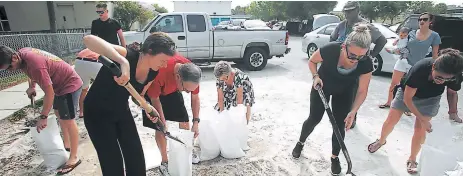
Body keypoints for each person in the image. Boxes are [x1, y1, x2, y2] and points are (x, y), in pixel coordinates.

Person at [82, 32, 175, 176]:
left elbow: (138, 96)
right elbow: (88, 40)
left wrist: (147, 108)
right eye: (163, 60)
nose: (164, 65)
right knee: (112, 163)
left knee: (136, 158)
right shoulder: (128, 55)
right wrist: (123, 62)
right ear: (150, 51)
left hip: (121, 111)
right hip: (97, 113)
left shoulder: (153, 73)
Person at [292, 23, 374, 176]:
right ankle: (300, 142)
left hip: (344, 91)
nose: (356, 60)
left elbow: (362, 91)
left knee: (339, 125)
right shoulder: (331, 50)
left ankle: (334, 157)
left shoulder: (366, 63)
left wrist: (354, 111)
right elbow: (312, 61)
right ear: (344, 46)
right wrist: (315, 76)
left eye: (361, 56)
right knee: (314, 118)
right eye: (352, 55)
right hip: (322, 86)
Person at [367, 48, 463, 174]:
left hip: (431, 98)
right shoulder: (421, 69)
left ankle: (412, 158)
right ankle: (381, 140)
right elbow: (407, 99)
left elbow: (452, 93)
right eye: (439, 77)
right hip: (408, 93)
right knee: (391, 120)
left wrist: (453, 112)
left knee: (420, 130)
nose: (442, 81)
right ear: (433, 66)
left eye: (447, 79)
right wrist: (423, 119)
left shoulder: (455, 75)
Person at [0, 46, 83, 175]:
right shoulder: (22, 56)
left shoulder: (35, 64)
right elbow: (30, 73)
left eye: (10, 67)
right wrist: (32, 86)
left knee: (68, 121)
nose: (10, 71)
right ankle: (66, 145)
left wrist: (43, 117)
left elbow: (49, 94)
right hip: (58, 86)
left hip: (69, 85)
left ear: (14, 57)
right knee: (58, 113)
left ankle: (74, 158)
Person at [330, 1, 387, 129]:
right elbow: (332, 40)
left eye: (350, 11)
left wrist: (370, 55)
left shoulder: (366, 27)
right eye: (345, 11)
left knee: (355, 93)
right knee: (339, 92)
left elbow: (382, 40)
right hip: (342, 66)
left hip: (357, 67)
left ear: (357, 10)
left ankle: (352, 118)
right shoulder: (341, 26)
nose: (347, 14)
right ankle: (338, 116)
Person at [145, 53, 202, 176]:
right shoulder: (160, 71)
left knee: (184, 120)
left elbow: (195, 98)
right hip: (155, 93)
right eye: (186, 89)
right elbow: (155, 99)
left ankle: (187, 150)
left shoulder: (191, 73)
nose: (188, 92)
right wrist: (163, 123)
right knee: (159, 127)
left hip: (172, 90)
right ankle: (165, 161)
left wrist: (196, 122)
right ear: (178, 77)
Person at [379, 12, 442, 118]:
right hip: (403, 60)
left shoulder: (434, 36)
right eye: (420, 19)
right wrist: (398, 46)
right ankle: (389, 102)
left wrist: (434, 69)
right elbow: (402, 41)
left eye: (425, 19)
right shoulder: (412, 32)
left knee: (410, 87)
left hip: (417, 65)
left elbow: (435, 55)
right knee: (394, 83)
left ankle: (407, 108)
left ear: (430, 21)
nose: (421, 21)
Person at [74, 48, 103, 118]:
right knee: (104, 86)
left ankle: (82, 112)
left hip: (78, 62)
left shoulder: (90, 47)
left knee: (84, 90)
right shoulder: (104, 45)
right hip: (93, 62)